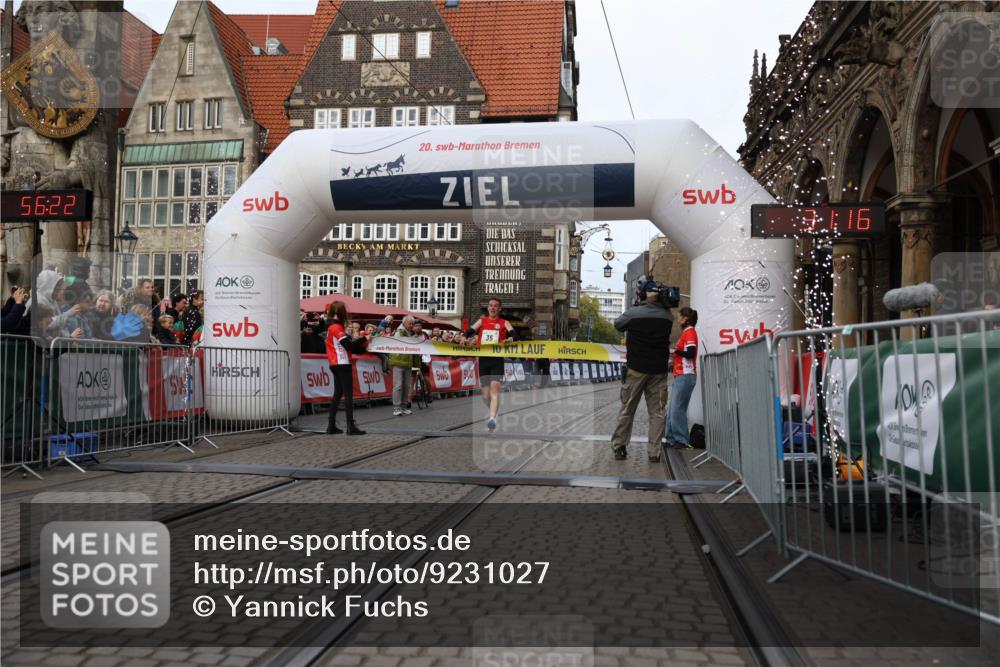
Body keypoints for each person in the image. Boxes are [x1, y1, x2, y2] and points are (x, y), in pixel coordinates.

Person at [610, 280, 673, 461]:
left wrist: (636, 307)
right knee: (657, 412)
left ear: (644, 294)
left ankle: (620, 447)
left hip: (636, 369)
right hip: (659, 371)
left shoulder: (634, 313)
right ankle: (654, 453)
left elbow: (618, 324)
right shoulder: (667, 316)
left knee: (627, 409)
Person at [466, 297, 517, 431]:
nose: (493, 308)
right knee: (485, 396)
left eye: (495, 306)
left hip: (496, 359)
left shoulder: (503, 322)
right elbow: (470, 331)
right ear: (488, 308)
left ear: (499, 309)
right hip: (483, 359)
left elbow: (515, 335)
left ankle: (492, 418)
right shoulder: (482, 321)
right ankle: (494, 412)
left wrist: (510, 338)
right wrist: (463, 337)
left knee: (495, 390)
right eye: (490, 305)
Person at [324, 300, 369, 435]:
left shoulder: (331, 326)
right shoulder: (336, 328)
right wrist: (364, 338)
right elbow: (349, 346)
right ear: (342, 313)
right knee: (348, 394)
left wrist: (363, 342)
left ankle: (331, 425)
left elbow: (350, 347)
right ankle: (350, 426)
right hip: (342, 362)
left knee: (337, 394)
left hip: (335, 363)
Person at [665, 307, 699, 449]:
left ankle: (681, 439)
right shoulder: (686, 332)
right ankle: (672, 438)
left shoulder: (690, 332)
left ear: (685, 318)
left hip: (685, 375)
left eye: (679, 316)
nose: (677, 319)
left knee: (677, 408)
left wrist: (675, 351)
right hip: (682, 375)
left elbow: (690, 352)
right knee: (674, 407)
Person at [388, 315, 418, 416]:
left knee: (406, 386)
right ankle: (396, 407)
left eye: (412, 324)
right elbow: (399, 344)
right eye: (410, 323)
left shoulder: (408, 333)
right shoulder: (399, 332)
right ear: (404, 323)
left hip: (407, 362)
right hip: (399, 362)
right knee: (398, 385)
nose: (411, 325)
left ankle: (404, 406)